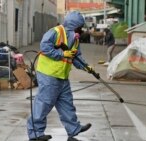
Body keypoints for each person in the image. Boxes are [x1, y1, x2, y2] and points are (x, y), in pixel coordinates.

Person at [27, 11, 93, 141]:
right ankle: (35, 134)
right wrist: (62, 54)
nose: (81, 29)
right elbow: (44, 47)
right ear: (74, 25)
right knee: (44, 103)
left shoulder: (75, 38)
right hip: (48, 74)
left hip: (62, 76)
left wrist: (86, 67)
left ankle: (73, 129)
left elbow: (76, 57)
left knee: (66, 103)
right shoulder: (56, 32)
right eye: (80, 26)